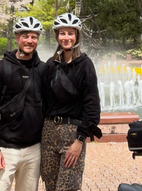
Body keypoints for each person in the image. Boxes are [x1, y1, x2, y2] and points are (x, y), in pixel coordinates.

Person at [0, 16, 46, 191]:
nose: (29, 40)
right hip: (5, 149)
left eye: (34, 37)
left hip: (33, 149)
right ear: (17, 38)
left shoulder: (42, 69)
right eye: (25, 36)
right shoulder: (0, 69)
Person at [40, 13, 102, 191]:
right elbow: (42, 102)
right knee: (50, 187)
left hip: (72, 133)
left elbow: (92, 106)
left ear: (77, 36)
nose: (66, 37)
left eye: (70, 33)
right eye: (62, 33)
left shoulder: (85, 64)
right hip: (49, 132)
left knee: (67, 187)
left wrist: (80, 140)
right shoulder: (50, 65)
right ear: (57, 36)